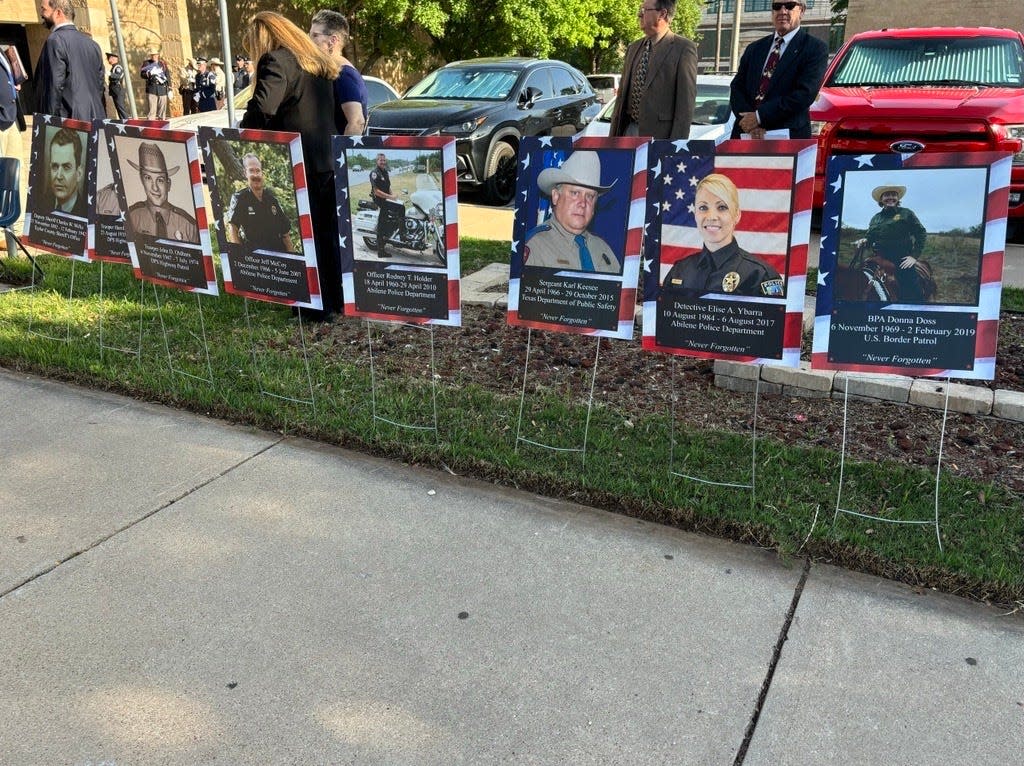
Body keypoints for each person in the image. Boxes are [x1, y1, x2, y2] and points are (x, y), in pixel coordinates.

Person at [240, 11, 341, 318]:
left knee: (307, 235)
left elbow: (263, 108)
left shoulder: (275, 61)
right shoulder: (317, 63)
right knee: (327, 235)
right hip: (326, 157)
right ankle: (334, 300)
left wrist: (245, 128)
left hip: (300, 161)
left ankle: (312, 306)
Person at [661, 173, 783, 298]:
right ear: (695, 214)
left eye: (722, 207)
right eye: (703, 207)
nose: (711, 217)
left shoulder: (761, 276)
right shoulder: (679, 271)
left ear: (736, 215)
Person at [729, 0, 828, 139]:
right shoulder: (755, 49)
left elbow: (804, 94)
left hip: (787, 138)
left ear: (802, 11)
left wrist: (759, 117)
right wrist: (748, 122)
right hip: (746, 134)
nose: (782, 11)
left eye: (789, 6)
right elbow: (737, 87)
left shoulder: (815, 49)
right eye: (777, 7)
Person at [609, 0, 697, 140]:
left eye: (644, 11)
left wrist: (674, 147)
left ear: (662, 14)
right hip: (627, 132)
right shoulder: (634, 48)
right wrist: (613, 138)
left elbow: (685, 105)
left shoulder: (683, 49)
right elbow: (621, 99)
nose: (639, 15)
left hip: (660, 138)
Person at [524, 151, 620, 274]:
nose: (583, 203)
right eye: (575, 193)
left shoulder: (603, 249)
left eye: (590, 196)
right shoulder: (533, 246)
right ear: (555, 196)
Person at [859, 185, 935, 303]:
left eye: (893, 195)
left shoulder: (906, 213)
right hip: (880, 257)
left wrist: (914, 256)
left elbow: (921, 233)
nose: (891, 197)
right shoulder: (876, 218)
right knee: (861, 277)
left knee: (911, 288)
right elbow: (870, 236)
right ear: (881, 199)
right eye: (886, 195)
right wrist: (865, 240)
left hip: (902, 257)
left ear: (898, 198)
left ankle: (917, 307)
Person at [33, 0, 106, 120]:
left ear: (58, 12)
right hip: (95, 118)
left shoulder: (55, 40)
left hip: (70, 122)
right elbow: (99, 85)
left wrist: (47, 123)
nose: (41, 13)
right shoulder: (92, 44)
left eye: (44, 9)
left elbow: (53, 88)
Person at [125, 141, 198, 243]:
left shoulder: (188, 225)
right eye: (148, 178)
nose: (155, 188)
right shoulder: (132, 217)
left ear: (168, 184)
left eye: (160, 180)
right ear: (142, 180)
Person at [309, 10, 368, 135]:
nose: (309, 41)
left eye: (315, 35)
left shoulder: (344, 74)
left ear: (333, 40)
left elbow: (357, 122)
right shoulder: (336, 71)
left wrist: (339, 153)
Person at [226, 153, 294, 254]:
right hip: (256, 260)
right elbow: (233, 229)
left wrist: (293, 260)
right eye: (251, 170)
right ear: (245, 173)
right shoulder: (240, 199)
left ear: (262, 173)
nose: (255, 175)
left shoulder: (272, 200)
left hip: (279, 258)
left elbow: (286, 235)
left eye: (258, 170)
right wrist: (240, 258)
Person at [43, 127, 86, 216]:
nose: (59, 176)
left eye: (66, 167)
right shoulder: (41, 205)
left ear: (79, 173)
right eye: (55, 166)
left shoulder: (85, 211)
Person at [368, 152, 404, 258]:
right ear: (377, 161)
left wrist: (393, 197)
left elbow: (387, 186)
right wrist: (390, 197)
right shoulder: (374, 173)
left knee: (400, 207)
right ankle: (381, 251)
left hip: (386, 199)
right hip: (379, 201)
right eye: (381, 160)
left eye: (384, 160)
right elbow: (376, 191)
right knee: (382, 224)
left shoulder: (385, 172)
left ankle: (400, 233)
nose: (383, 162)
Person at [140, 49, 171, 120]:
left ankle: (162, 122)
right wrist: (149, 73)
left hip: (162, 88)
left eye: (155, 55)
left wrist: (169, 88)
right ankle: (151, 123)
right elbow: (142, 74)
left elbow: (167, 75)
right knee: (152, 109)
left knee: (162, 109)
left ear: (158, 55)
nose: (154, 56)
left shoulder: (162, 64)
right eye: (152, 55)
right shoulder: (147, 63)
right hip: (152, 88)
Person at [106, 51, 130, 120]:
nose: (108, 60)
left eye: (109, 58)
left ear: (114, 59)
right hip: (115, 90)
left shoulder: (118, 67)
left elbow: (119, 76)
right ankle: (123, 121)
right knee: (118, 108)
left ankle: (126, 122)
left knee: (121, 107)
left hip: (118, 90)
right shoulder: (113, 67)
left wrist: (110, 74)